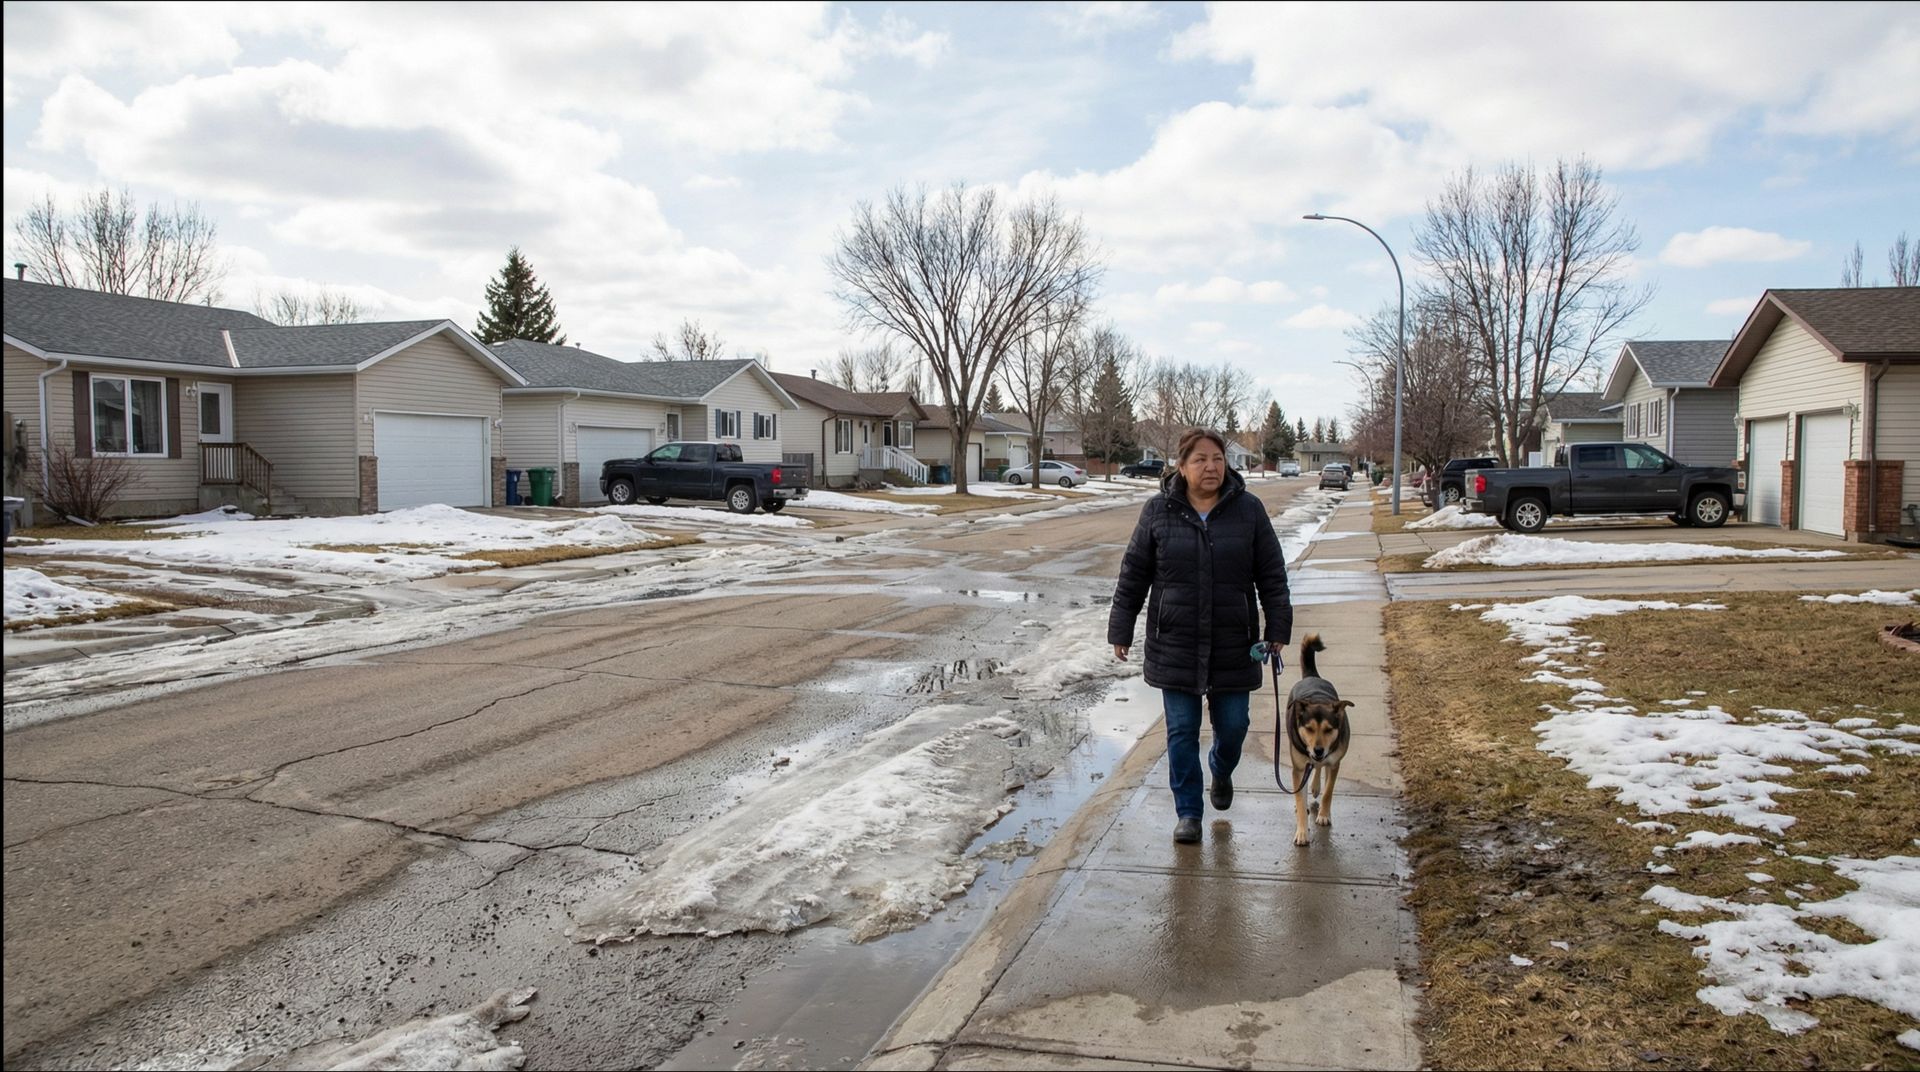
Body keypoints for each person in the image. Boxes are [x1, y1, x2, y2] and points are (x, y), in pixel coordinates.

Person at [1109, 428, 1293, 843]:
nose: (1210, 467)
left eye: (1217, 458)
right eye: (1200, 460)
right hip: (1174, 640)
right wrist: (1121, 627)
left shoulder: (1249, 510)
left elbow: (1271, 574)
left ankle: (1221, 769)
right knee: (1180, 731)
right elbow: (1133, 574)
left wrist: (1278, 626)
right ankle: (1188, 812)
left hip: (1233, 640)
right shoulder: (1158, 511)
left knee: (1234, 726)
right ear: (1181, 466)